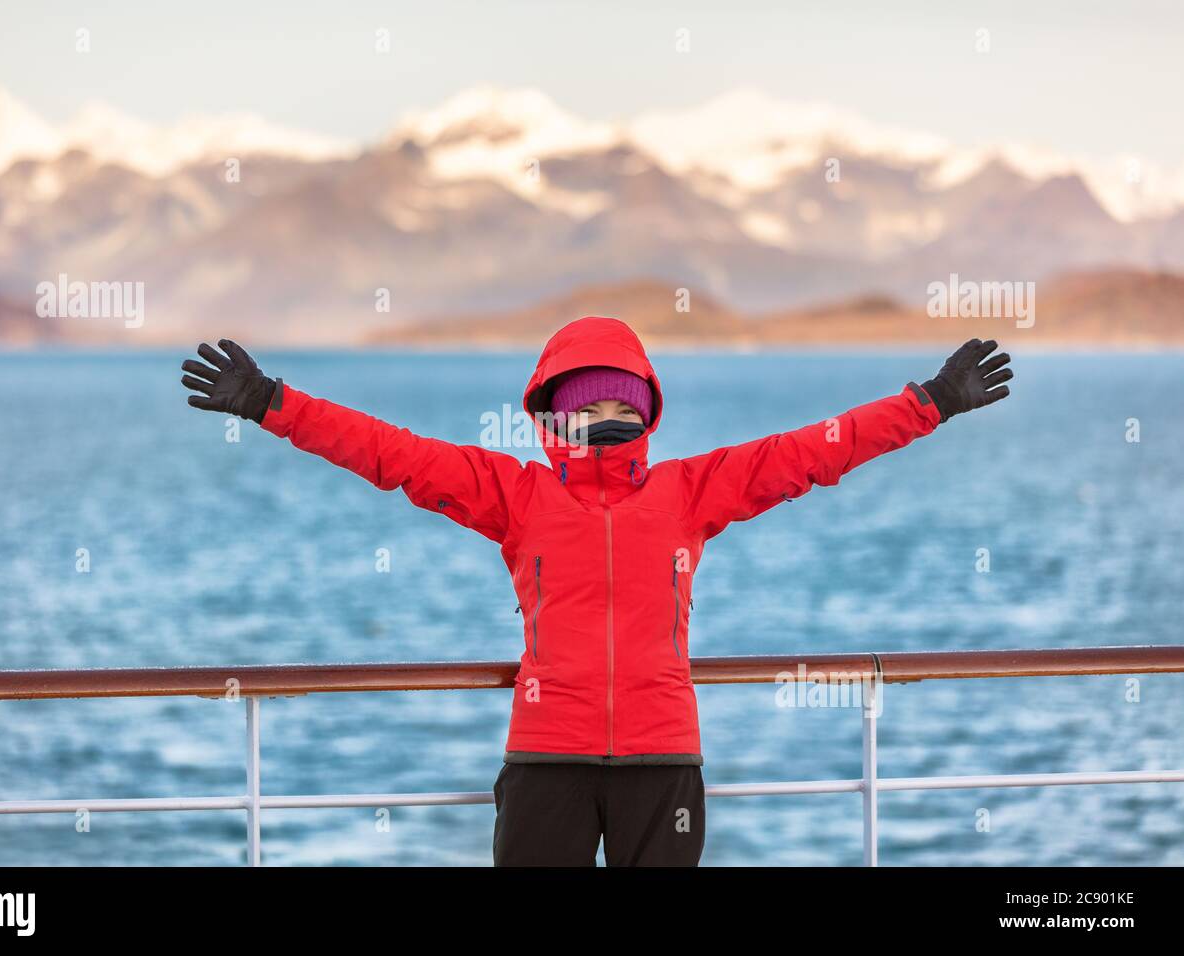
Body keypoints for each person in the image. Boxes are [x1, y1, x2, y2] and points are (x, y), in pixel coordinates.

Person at [179, 317, 1012, 866]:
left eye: (623, 397)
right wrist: (270, 403)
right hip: (546, 763)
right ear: (551, 416)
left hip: (663, 762)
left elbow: (814, 451)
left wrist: (931, 402)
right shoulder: (515, 494)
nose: (606, 411)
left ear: (647, 409)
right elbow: (391, 453)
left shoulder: (691, 490)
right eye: (587, 401)